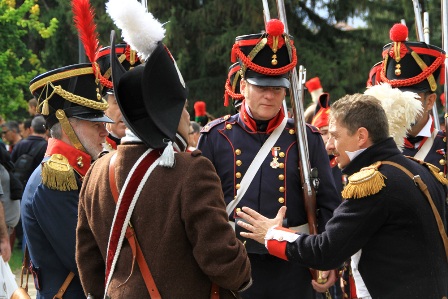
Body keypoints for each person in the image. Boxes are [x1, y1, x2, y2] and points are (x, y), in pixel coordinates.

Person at [76, 2, 252, 297]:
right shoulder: (191, 171)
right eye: (180, 108)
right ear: (165, 113)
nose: (186, 117)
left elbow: (89, 263)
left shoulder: (96, 171)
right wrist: (243, 272)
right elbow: (222, 261)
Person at [236, 92, 448, 299]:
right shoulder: (423, 170)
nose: (329, 145)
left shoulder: (375, 183)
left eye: (335, 136)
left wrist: (271, 234)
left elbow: (325, 251)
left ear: (361, 136)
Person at [198, 19, 341, 299]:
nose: (269, 94)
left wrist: (329, 259)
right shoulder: (215, 136)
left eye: (276, 88)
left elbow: (329, 205)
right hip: (232, 265)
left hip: (293, 267)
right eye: (261, 86)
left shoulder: (306, 137)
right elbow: (198, 208)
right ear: (244, 85)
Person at [22, 56, 112, 299]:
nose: (105, 131)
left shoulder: (74, 173)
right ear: (66, 124)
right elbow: (86, 262)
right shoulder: (53, 181)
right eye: (95, 124)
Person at [369, 23, 446, 174]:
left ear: (429, 101)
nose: (400, 101)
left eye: (410, 95)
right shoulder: (375, 146)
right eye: (395, 93)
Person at [11, 115, 47, 251]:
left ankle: (25, 258)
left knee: (26, 222)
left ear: (31, 129)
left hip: (22, 188)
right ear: (46, 129)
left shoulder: (20, 144)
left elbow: (11, 165)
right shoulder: (47, 146)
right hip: (40, 190)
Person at [96, 43, 141, 151]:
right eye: (119, 101)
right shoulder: (92, 153)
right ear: (103, 106)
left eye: (137, 101)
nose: (127, 109)